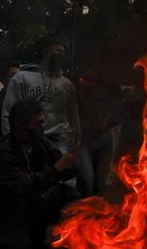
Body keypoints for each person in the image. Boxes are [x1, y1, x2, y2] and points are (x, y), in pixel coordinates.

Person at [1, 38, 86, 194]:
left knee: (68, 184)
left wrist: (76, 140)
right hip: (28, 139)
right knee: (33, 184)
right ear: (46, 50)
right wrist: (12, 140)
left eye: (63, 51)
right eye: (57, 49)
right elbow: (8, 110)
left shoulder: (66, 84)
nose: (61, 53)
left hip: (58, 138)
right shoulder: (23, 78)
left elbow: (73, 115)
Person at [0, 99, 80, 249]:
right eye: (37, 124)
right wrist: (57, 169)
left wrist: (71, 162)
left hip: (35, 202)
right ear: (21, 126)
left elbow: (63, 167)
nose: (41, 128)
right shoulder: (5, 150)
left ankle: (46, 237)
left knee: (70, 194)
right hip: (12, 210)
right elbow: (24, 187)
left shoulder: (40, 142)